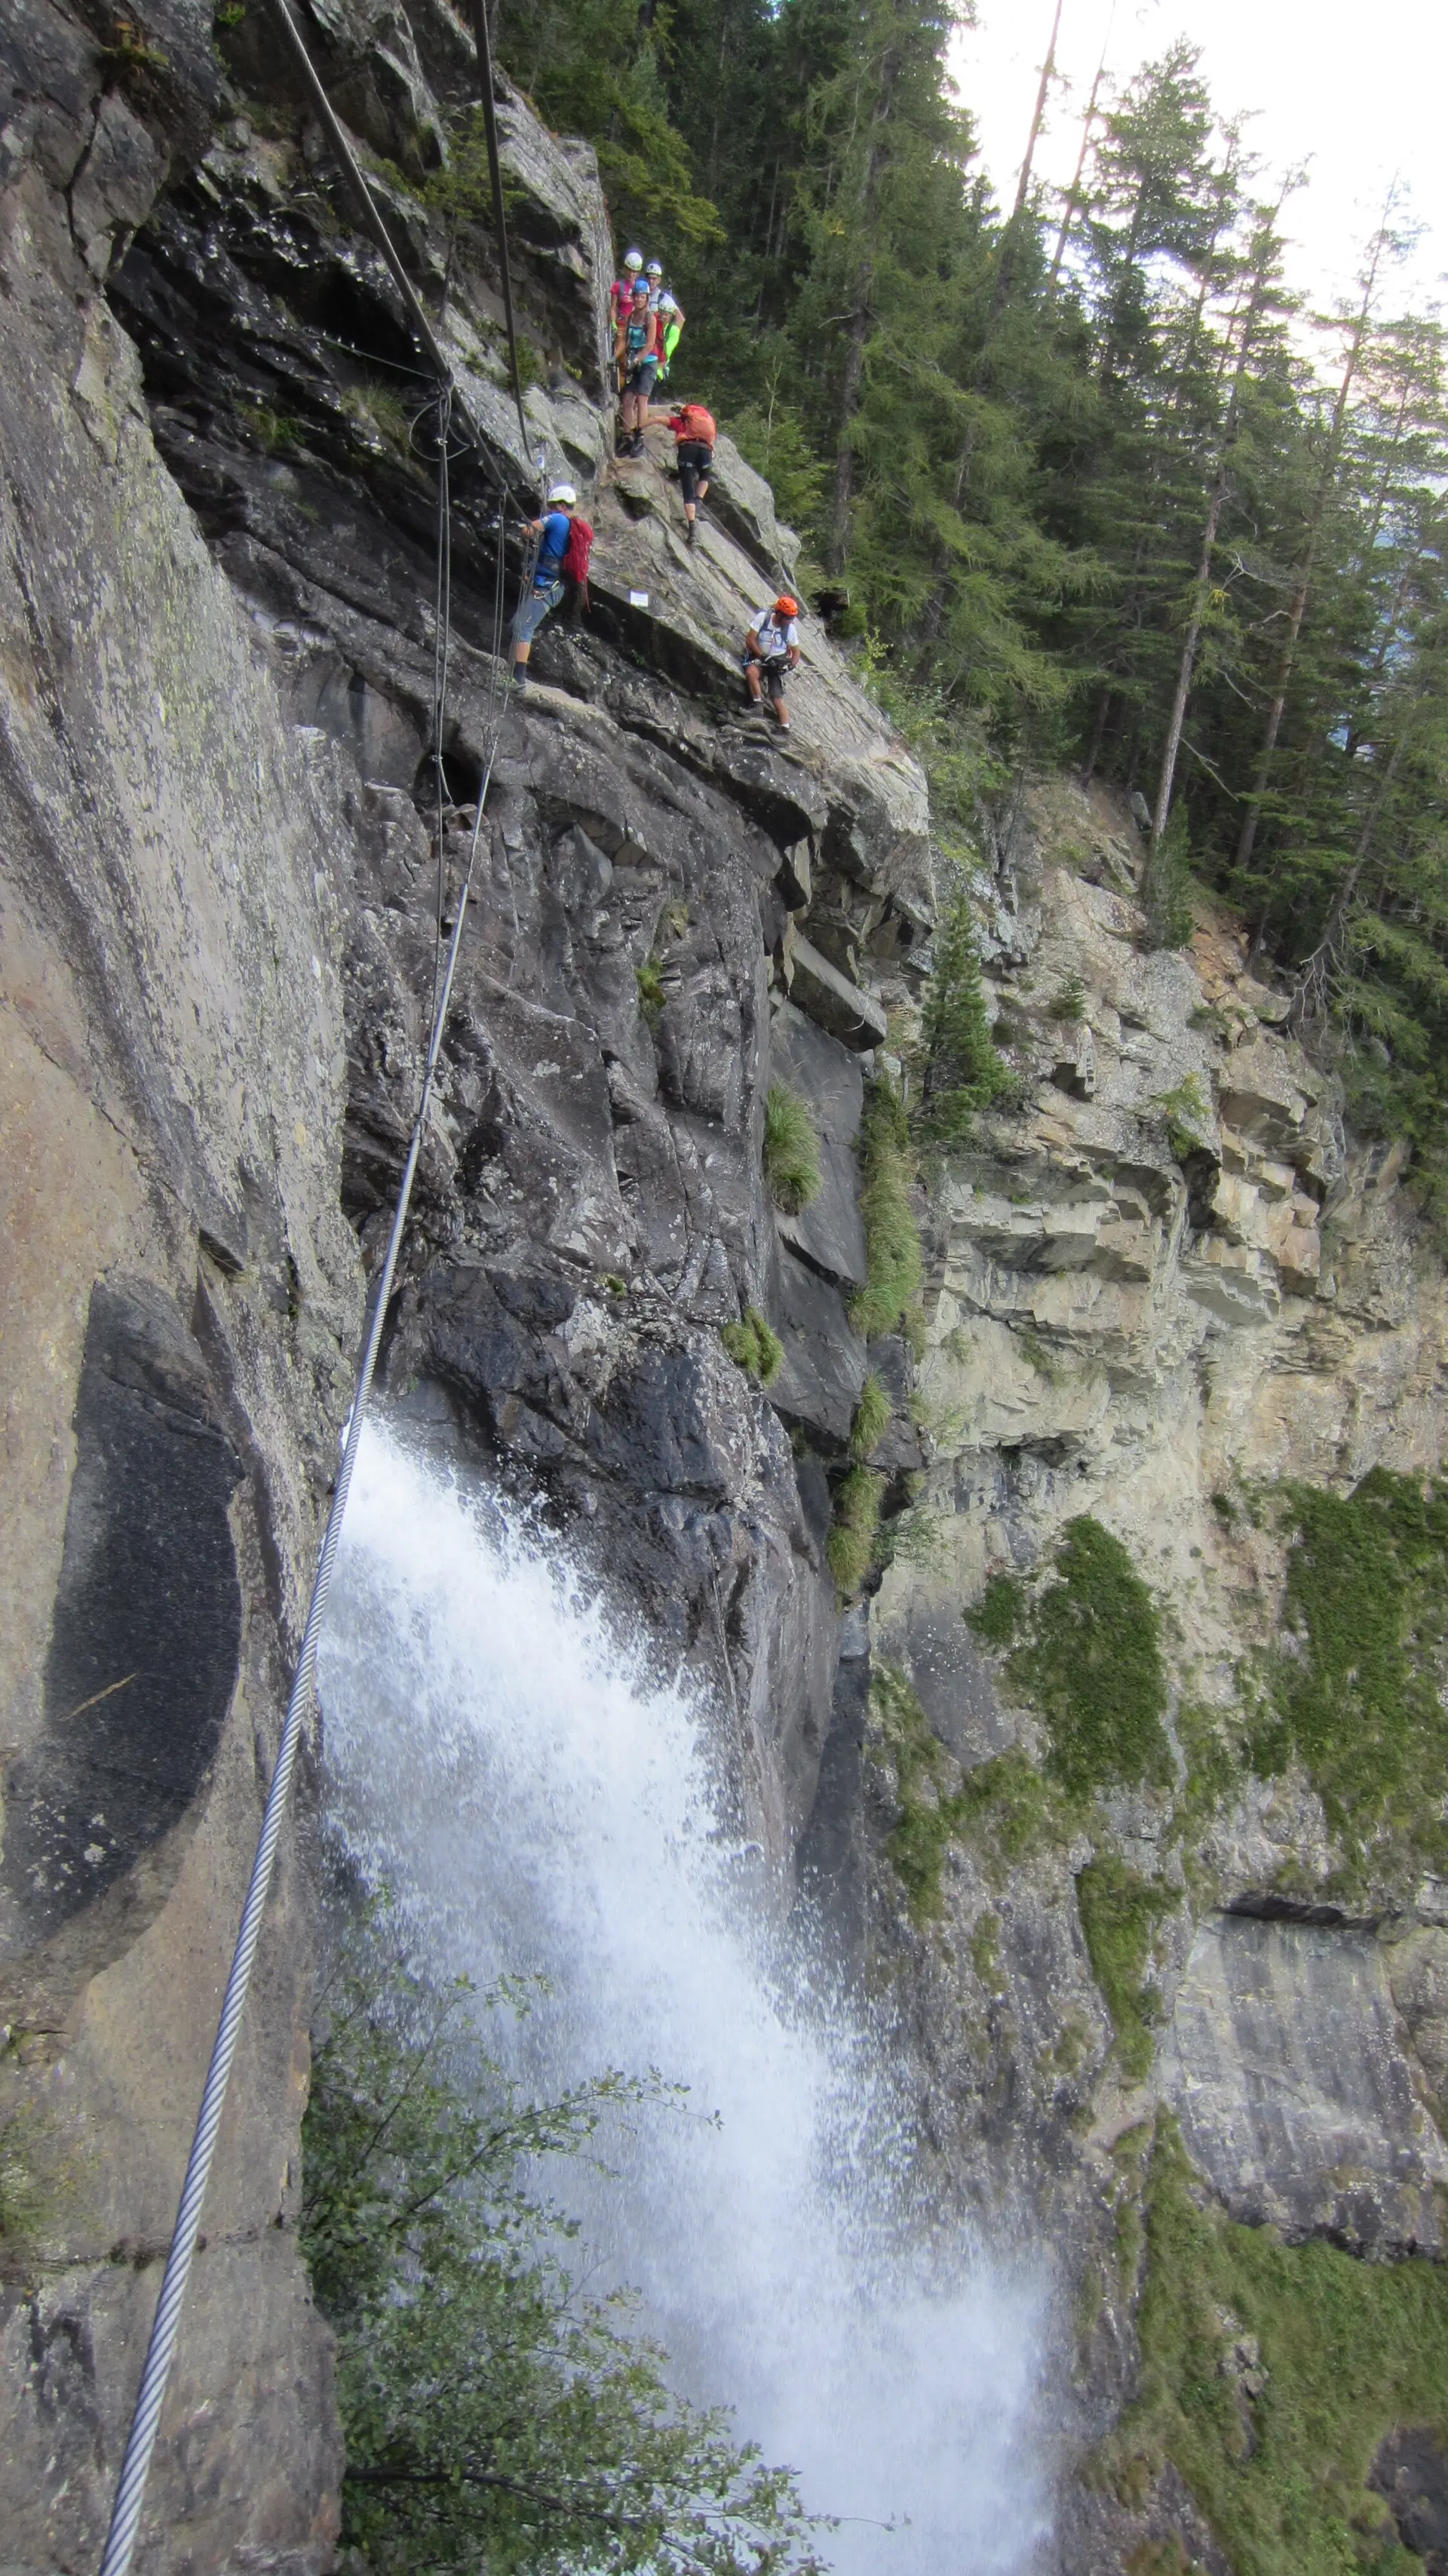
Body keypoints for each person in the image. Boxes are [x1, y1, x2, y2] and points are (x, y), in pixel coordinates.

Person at [511, 482, 578, 690]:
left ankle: (518, 681)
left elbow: (528, 531)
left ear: (561, 505)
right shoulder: (570, 526)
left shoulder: (557, 519)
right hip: (551, 586)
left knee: (523, 627)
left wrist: (529, 527)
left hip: (547, 587)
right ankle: (513, 675)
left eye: (553, 505)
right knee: (516, 625)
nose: (550, 508)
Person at [743, 595, 801, 729]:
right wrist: (762, 656)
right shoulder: (763, 618)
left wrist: (790, 666)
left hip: (777, 664)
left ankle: (785, 729)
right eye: (788, 618)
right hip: (762, 659)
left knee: (777, 698)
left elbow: (796, 652)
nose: (789, 621)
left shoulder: (790, 630)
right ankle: (758, 705)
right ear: (779, 614)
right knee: (751, 673)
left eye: (791, 618)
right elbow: (750, 640)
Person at [615, 278, 658, 456]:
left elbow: (649, 345)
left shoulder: (651, 318)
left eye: (642, 297)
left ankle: (640, 436)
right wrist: (616, 356)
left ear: (647, 298)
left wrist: (636, 360)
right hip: (634, 362)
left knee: (641, 399)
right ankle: (627, 436)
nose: (639, 299)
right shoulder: (631, 316)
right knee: (627, 399)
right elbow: (624, 340)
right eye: (637, 297)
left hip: (648, 363)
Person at [667, 399, 715, 544]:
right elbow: (712, 441)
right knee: (705, 476)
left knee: (688, 490)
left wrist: (638, 429)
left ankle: (692, 528)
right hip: (705, 452)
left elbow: (656, 419)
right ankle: (699, 500)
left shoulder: (680, 422)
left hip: (687, 452)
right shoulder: (707, 425)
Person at [646, 260, 686, 382]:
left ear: (659, 280)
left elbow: (680, 318)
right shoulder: (641, 292)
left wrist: (672, 332)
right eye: (649, 278)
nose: (651, 281)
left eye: (654, 278)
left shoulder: (663, 297)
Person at [609, 248, 644, 334]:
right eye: (629, 270)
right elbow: (614, 307)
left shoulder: (642, 288)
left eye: (634, 272)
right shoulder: (618, 286)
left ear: (638, 273)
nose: (631, 274)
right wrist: (613, 323)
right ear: (625, 269)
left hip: (637, 327)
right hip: (621, 325)